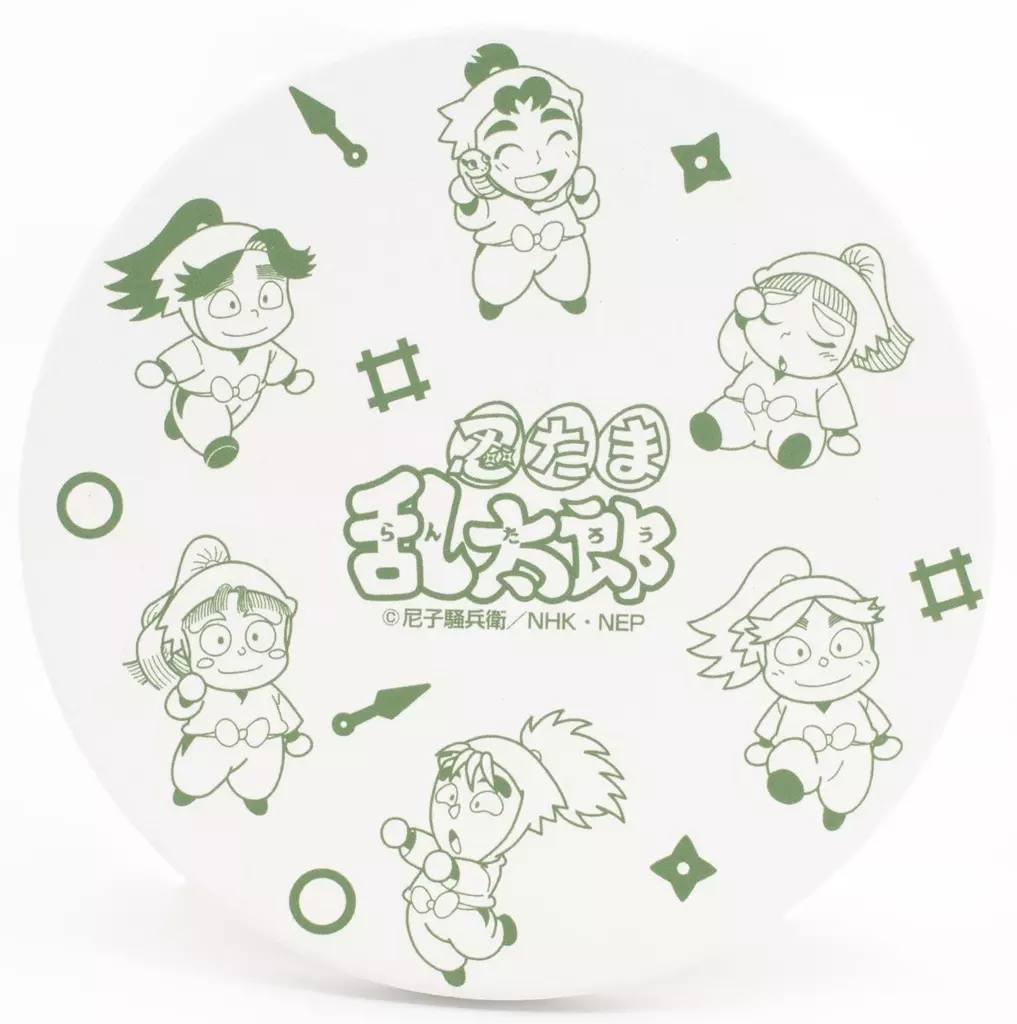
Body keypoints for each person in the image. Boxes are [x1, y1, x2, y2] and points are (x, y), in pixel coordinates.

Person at [381, 710, 625, 986]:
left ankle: (502, 933)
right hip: (422, 905)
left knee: (480, 944)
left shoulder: (483, 870)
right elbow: (426, 852)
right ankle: (449, 968)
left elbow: (471, 879)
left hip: (467, 913)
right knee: (429, 945)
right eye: (449, 797)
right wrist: (407, 840)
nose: (455, 812)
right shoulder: (439, 852)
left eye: (479, 805)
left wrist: (449, 870)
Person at [688, 547, 902, 830]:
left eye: (842, 644)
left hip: (853, 746)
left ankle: (837, 808)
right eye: (797, 651)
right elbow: (771, 724)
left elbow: (874, 717)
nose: (823, 662)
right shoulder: (788, 704)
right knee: (792, 755)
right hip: (800, 745)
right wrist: (765, 745)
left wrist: (881, 740)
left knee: (847, 793)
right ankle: (791, 780)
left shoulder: (856, 700)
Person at [106, 198, 315, 468]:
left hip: (243, 404)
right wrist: (160, 371)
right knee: (206, 420)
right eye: (229, 304)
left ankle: (179, 425)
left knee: (222, 421)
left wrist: (290, 378)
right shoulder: (199, 349)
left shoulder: (265, 349)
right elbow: (175, 362)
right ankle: (214, 444)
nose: (253, 314)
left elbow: (278, 364)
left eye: (268, 297)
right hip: (201, 399)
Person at [126, 535, 312, 814]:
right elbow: (178, 709)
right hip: (209, 740)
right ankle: (188, 790)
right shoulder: (203, 688)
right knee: (194, 777)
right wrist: (187, 698)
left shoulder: (268, 692)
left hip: (263, 743)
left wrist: (293, 736)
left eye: (258, 636)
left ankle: (255, 795)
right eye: (219, 640)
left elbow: (285, 712)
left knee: (259, 780)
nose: (241, 652)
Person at [689, 244, 913, 469]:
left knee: (797, 434)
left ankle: (791, 448)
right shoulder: (756, 359)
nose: (787, 338)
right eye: (770, 321)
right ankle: (718, 429)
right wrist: (741, 319)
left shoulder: (825, 383)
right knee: (729, 417)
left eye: (819, 339)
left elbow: (834, 406)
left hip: (797, 420)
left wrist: (840, 433)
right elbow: (730, 349)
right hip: (743, 407)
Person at [439, 43, 600, 319]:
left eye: (557, 138)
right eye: (508, 148)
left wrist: (583, 194)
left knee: (570, 284)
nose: (536, 158)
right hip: (504, 247)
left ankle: (571, 297)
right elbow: (474, 217)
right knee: (495, 289)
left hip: (563, 240)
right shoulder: (491, 193)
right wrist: (467, 200)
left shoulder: (568, 186)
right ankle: (494, 302)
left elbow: (584, 208)